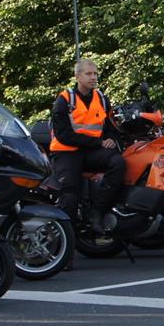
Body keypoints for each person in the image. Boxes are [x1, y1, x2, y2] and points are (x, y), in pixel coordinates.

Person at [49, 57, 125, 230]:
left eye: (95, 74)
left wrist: (110, 138)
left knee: (118, 163)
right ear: (78, 77)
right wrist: (98, 142)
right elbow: (63, 135)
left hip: (91, 151)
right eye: (89, 74)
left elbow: (110, 126)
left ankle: (97, 212)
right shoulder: (64, 100)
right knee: (70, 194)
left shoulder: (102, 99)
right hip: (67, 152)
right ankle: (69, 235)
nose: (93, 77)